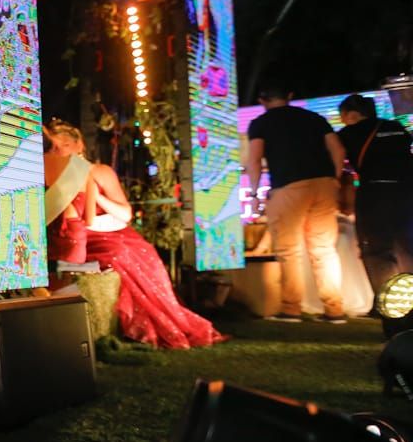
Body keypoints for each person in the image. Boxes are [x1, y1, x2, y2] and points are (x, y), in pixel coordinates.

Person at [43, 120, 224, 349]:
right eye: (56, 146)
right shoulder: (50, 172)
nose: (62, 150)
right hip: (74, 235)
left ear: (79, 145)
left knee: (119, 254)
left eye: (66, 144)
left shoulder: (98, 172)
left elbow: (124, 213)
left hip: (109, 232)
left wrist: (95, 196)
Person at [244, 82, 347, 323]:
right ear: (290, 95)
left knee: (289, 250)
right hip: (323, 184)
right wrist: (335, 178)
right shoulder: (313, 118)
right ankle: (334, 310)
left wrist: (255, 192)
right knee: (323, 250)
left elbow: (255, 159)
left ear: (262, 100)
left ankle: (291, 309)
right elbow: (338, 150)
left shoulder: (260, 123)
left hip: (289, 187)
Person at [337, 93, 413, 295]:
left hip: (374, 193)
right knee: (406, 245)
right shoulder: (396, 128)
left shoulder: (347, 134)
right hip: (406, 191)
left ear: (352, 114)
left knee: (377, 249)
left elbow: (336, 163)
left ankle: (389, 300)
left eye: (342, 116)